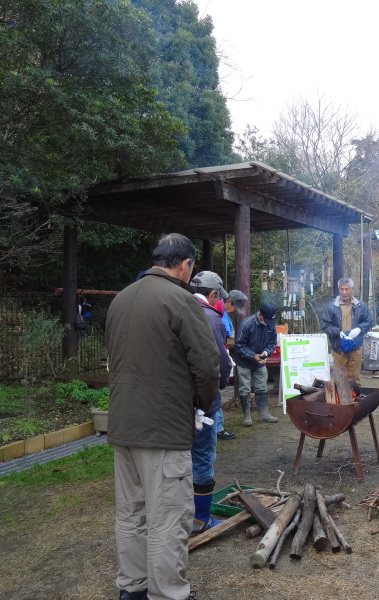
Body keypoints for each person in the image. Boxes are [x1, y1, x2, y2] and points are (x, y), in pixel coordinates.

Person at [106, 233, 220, 600]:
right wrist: (203, 405)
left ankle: (132, 588)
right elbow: (207, 368)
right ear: (185, 265)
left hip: (122, 425)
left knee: (131, 513)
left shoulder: (121, 298)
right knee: (169, 517)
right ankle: (169, 594)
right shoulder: (180, 299)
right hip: (163, 428)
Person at [189, 271, 234, 535]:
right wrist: (223, 382)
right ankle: (201, 519)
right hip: (202, 404)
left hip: (175, 401)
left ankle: (181, 514)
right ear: (214, 295)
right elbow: (220, 363)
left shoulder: (176, 308)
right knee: (202, 457)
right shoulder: (210, 318)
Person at [321, 277, 373, 384]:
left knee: (354, 379)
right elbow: (325, 325)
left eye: (347, 289)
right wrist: (337, 332)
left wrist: (360, 329)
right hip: (338, 348)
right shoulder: (331, 307)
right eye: (341, 289)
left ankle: (354, 399)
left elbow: (369, 321)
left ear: (352, 290)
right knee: (339, 379)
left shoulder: (361, 306)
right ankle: (340, 399)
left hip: (356, 347)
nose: (344, 292)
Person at [234, 304, 279, 425]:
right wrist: (253, 356)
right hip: (244, 362)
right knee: (245, 388)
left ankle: (264, 414)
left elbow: (272, 342)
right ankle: (247, 416)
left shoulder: (270, 324)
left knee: (262, 386)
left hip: (260, 362)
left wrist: (265, 353)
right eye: (267, 320)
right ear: (260, 315)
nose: (270, 323)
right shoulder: (247, 324)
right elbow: (239, 345)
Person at [215, 289, 249, 441]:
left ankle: (217, 427)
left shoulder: (224, 313)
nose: (235, 312)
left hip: (223, 351)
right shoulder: (215, 311)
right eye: (235, 308)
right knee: (214, 393)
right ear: (228, 302)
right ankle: (217, 428)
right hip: (216, 354)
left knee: (216, 393)